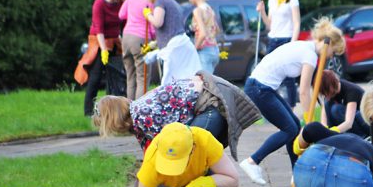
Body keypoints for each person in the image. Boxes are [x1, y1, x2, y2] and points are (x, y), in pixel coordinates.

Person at [238, 17, 345, 185]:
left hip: (262, 87)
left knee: (294, 125)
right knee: (289, 129)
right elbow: (303, 92)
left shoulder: (306, 47)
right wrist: (310, 119)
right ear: (329, 44)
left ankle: (297, 172)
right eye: (334, 52)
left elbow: (308, 89)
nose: (332, 56)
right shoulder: (309, 55)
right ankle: (252, 161)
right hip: (259, 88)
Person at [92, 71, 260, 161]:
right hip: (204, 102)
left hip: (210, 103)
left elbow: (169, 146)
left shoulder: (141, 115)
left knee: (187, 157)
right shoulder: (137, 120)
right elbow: (150, 155)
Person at [75, 0, 128, 116]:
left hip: (115, 42)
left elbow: (123, 25)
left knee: (115, 77)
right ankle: (88, 112)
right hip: (99, 42)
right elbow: (98, 28)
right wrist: (104, 49)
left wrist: (122, 43)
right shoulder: (99, 3)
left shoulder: (121, 4)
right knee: (96, 77)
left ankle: (111, 112)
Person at [142, 0, 200, 84]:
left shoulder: (160, 0)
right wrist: (156, 43)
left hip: (176, 46)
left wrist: (148, 14)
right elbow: (172, 26)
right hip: (181, 44)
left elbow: (158, 22)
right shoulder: (169, 0)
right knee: (183, 81)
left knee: (169, 83)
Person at [257, 0, 301, 107]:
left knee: (288, 77)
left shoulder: (292, 0)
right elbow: (269, 25)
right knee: (269, 72)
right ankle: (273, 106)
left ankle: (291, 107)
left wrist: (293, 43)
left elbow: (297, 23)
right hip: (273, 39)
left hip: (286, 39)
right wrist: (262, 11)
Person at [119, 0, 157, 99]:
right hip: (141, 38)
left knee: (130, 77)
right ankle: (140, 111)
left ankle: (129, 110)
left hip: (126, 37)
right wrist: (155, 38)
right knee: (142, 78)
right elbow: (152, 25)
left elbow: (121, 15)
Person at [318, 70, 368, 137]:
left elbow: (348, 123)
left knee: (336, 109)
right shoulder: (329, 93)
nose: (326, 96)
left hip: (365, 121)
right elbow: (324, 121)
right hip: (351, 121)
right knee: (328, 104)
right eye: (324, 94)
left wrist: (332, 132)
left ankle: (362, 137)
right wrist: (324, 131)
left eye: (327, 93)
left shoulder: (351, 91)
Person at [187, 0, 221, 74]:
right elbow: (217, 29)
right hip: (214, 50)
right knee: (208, 82)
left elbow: (203, 34)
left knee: (204, 84)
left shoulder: (197, 11)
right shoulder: (209, 8)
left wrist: (194, 50)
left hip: (204, 51)